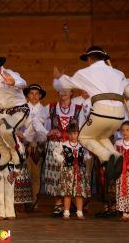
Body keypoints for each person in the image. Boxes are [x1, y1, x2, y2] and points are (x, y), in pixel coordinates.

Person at [53, 45, 129, 182]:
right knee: (99, 136)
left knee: (84, 137)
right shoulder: (118, 73)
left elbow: (63, 85)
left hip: (101, 111)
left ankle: (107, 157)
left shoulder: (85, 72)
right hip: (119, 115)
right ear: (104, 58)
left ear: (90, 59)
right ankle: (115, 154)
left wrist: (58, 79)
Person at [44, 89, 82, 217]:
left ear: (71, 93)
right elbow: (35, 119)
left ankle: (69, 204)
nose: (64, 92)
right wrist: (46, 132)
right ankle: (58, 204)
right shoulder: (51, 107)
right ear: (58, 93)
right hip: (55, 145)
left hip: (72, 146)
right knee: (56, 174)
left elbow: (83, 127)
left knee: (71, 174)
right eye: (61, 90)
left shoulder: (78, 109)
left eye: (67, 90)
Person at [22, 84, 48, 206]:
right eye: (31, 93)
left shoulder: (44, 110)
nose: (34, 96)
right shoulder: (22, 108)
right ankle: (25, 200)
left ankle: (34, 201)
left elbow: (42, 128)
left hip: (37, 145)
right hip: (23, 145)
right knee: (24, 173)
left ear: (40, 96)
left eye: (37, 93)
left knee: (36, 174)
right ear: (27, 95)